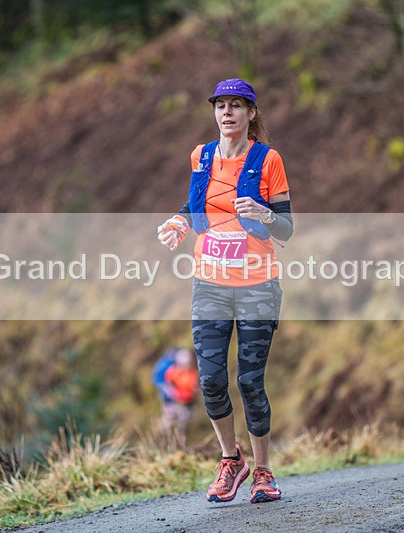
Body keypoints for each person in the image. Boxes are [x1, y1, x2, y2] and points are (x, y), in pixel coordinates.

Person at [157, 78, 294, 504]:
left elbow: (286, 230)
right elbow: (196, 206)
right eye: (221, 105)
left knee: (250, 382)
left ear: (252, 114)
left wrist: (265, 215)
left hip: (257, 285)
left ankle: (263, 472)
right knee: (212, 382)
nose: (228, 113)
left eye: (238, 105)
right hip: (210, 285)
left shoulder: (268, 160)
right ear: (214, 112)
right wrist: (179, 223)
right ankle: (230, 461)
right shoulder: (201, 156)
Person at [152, 347, 199, 448]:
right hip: (176, 403)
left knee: (183, 425)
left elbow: (194, 387)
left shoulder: (192, 372)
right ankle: (164, 441)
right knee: (173, 422)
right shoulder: (174, 372)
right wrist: (173, 394)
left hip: (187, 403)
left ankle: (180, 445)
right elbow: (166, 384)